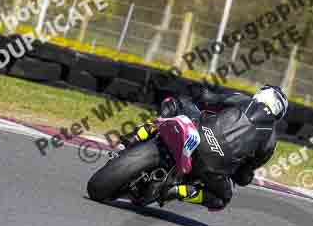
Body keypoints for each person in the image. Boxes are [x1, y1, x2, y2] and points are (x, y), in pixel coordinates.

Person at [121, 85, 288, 211]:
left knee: (177, 104)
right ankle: (179, 190)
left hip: (198, 134)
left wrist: (197, 94)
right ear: (279, 114)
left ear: (262, 94)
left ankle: (138, 134)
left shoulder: (242, 100)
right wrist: (241, 176)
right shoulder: (270, 141)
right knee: (222, 199)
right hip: (214, 167)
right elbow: (244, 174)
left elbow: (208, 98)